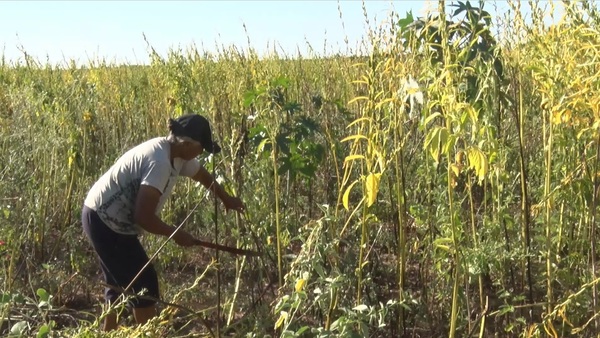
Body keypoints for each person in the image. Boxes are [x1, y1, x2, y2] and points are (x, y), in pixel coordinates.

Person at [81, 113, 245, 331]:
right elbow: (143, 217)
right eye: (201, 147)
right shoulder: (159, 163)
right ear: (187, 144)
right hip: (104, 221)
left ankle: (107, 334)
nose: (201, 153)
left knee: (120, 285)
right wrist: (177, 233)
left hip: (110, 221)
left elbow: (202, 176)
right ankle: (147, 334)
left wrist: (226, 199)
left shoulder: (176, 155)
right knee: (144, 286)